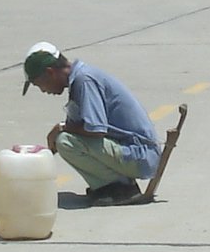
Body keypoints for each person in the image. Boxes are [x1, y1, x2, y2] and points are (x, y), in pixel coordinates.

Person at [20, 41, 160, 204]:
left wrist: (60, 128)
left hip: (140, 155)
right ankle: (115, 184)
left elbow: (95, 129)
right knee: (63, 140)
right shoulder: (79, 80)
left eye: (40, 85)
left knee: (65, 141)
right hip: (134, 152)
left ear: (50, 72)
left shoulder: (84, 80)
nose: (44, 90)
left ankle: (120, 189)